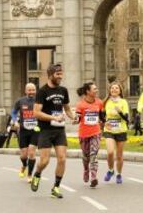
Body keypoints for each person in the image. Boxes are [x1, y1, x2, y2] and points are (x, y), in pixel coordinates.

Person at [31, 64, 75, 198]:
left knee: (62, 159)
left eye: (61, 74)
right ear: (50, 75)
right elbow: (36, 113)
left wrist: (73, 117)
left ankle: (56, 188)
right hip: (45, 130)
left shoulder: (63, 90)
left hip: (59, 130)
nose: (60, 77)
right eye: (58, 74)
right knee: (44, 161)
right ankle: (37, 174)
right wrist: (53, 117)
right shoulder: (42, 91)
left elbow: (66, 108)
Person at [75, 82, 104, 188]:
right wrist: (75, 119)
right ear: (88, 91)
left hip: (96, 133)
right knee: (85, 156)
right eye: (94, 89)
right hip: (83, 134)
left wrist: (105, 123)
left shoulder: (99, 102)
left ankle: (93, 177)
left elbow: (102, 117)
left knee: (93, 155)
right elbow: (78, 118)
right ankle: (86, 170)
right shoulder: (80, 104)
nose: (96, 90)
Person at [11, 83, 39, 183]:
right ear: (25, 91)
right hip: (23, 130)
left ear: (36, 90)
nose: (31, 92)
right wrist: (15, 121)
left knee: (31, 153)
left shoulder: (39, 101)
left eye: (33, 90)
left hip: (35, 130)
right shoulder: (20, 101)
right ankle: (24, 165)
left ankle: (30, 175)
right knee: (23, 155)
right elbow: (13, 112)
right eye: (29, 90)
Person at [102, 82, 129, 184]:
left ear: (120, 91)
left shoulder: (123, 102)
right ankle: (110, 170)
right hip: (109, 131)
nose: (114, 90)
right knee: (110, 152)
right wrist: (105, 122)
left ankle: (118, 174)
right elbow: (101, 115)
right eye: (112, 88)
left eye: (116, 88)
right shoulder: (106, 102)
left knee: (119, 155)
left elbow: (127, 119)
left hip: (121, 130)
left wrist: (120, 112)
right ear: (109, 90)